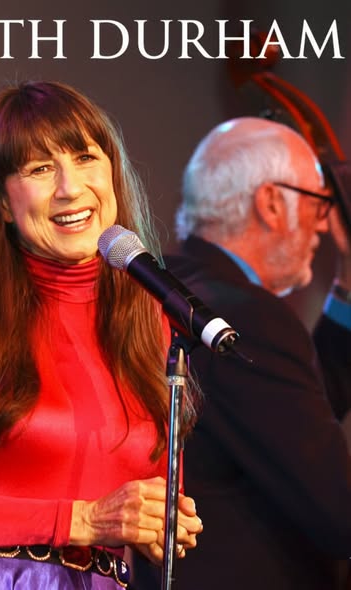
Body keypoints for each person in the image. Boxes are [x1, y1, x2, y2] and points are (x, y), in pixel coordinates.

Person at [0, 81, 203, 589]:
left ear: (113, 174)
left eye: (85, 158)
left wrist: (163, 524)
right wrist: (82, 519)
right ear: (2, 203)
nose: (69, 188)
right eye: (38, 169)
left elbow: (156, 501)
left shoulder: (152, 319)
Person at [131, 117, 351, 590]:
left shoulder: (173, 287)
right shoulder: (250, 319)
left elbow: (292, 420)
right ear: (271, 203)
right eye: (318, 202)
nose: (323, 223)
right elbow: (338, 509)